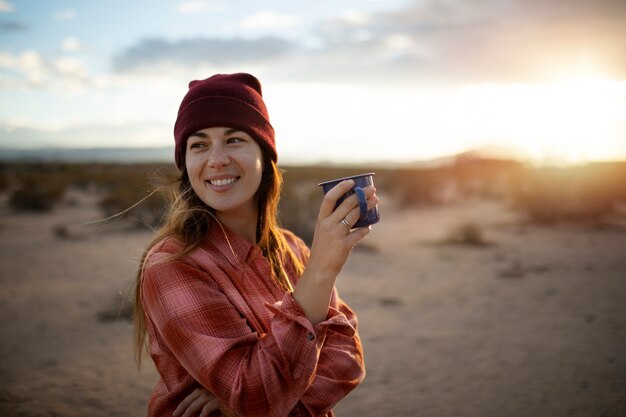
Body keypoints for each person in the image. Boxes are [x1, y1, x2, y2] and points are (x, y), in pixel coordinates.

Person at [133, 73, 379, 417]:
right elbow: (254, 397)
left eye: (234, 140)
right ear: (185, 164)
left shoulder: (292, 249)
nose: (216, 159)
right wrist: (322, 269)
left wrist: (246, 404)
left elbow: (348, 363)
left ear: (265, 156)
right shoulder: (173, 264)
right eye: (199, 145)